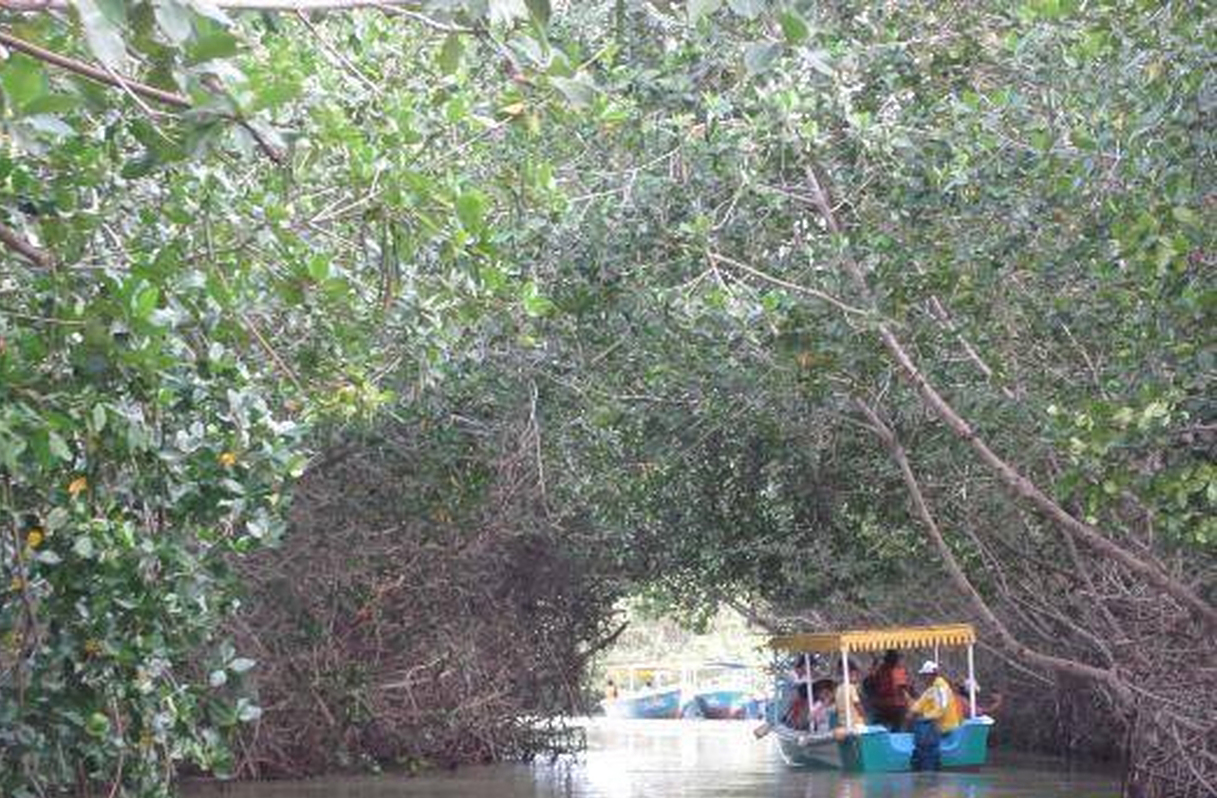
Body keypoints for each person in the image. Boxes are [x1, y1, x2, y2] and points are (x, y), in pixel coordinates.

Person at [908, 660, 963, 771]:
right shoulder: (932, 688)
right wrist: (911, 711)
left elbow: (941, 709)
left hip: (945, 727)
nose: (923, 678)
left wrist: (925, 717)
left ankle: (928, 765)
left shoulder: (941, 687)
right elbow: (920, 703)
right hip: (934, 727)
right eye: (923, 676)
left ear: (932, 675)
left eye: (925, 675)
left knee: (924, 738)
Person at [870, 649, 912, 731]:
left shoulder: (880, 670)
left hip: (881, 704)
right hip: (896, 705)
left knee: (880, 726)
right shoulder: (898, 670)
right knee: (897, 727)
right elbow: (903, 687)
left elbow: (873, 683)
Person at [835, 660, 867, 733]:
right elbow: (857, 705)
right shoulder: (851, 687)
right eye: (854, 675)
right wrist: (864, 716)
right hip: (855, 724)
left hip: (843, 724)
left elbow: (836, 710)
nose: (856, 677)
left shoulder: (838, 688)